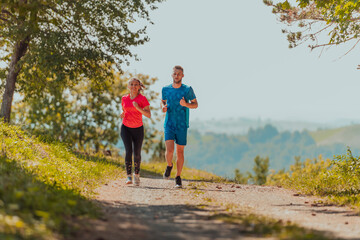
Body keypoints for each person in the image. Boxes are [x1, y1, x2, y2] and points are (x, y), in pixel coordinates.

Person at [161, 65, 198, 188]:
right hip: (169, 123)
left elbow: (195, 105)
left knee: (180, 152)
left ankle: (178, 177)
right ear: (172, 75)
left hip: (182, 125)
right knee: (170, 150)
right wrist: (163, 107)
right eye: (174, 73)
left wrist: (185, 104)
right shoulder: (165, 89)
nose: (176, 76)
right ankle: (169, 165)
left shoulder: (187, 89)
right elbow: (163, 101)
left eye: (179, 74)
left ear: (182, 75)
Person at [120, 77, 151, 186]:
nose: (133, 86)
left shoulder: (142, 99)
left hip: (138, 129)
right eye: (131, 84)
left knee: (137, 153)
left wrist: (138, 108)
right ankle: (128, 176)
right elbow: (124, 111)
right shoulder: (124, 98)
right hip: (125, 128)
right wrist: (122, 115)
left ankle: (136, 175)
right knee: (128, 151)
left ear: (139, 87)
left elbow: (148, 114)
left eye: (136, 84)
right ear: (128, 86)